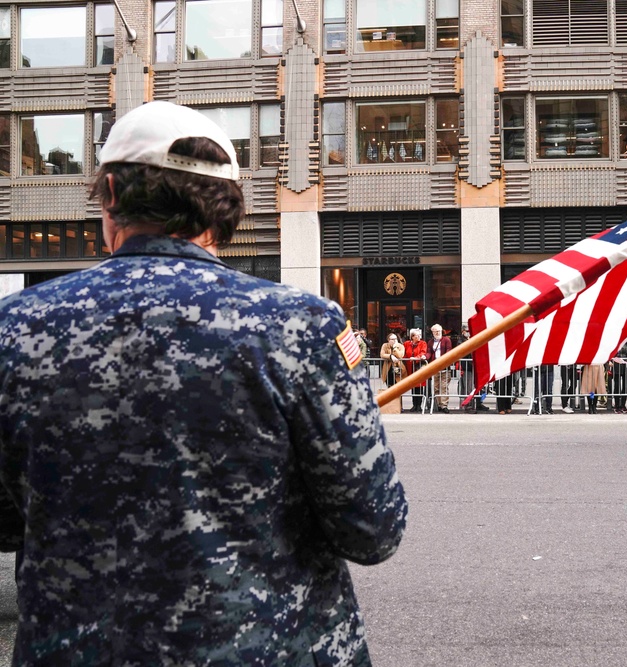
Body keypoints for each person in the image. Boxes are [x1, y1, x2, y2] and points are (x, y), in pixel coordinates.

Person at [0, 101, 407, 664]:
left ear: (111, 195)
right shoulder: (298, 328)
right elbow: (372, 527)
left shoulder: (15, 327)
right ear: (227, 208)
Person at [428, 323, 453, 413]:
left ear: (441, 331)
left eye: (438, 331)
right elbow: (429, 352)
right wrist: (424, 357)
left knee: (444, 386)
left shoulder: (446, 340)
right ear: (432, 332)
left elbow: (448, 350)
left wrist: (443, 360)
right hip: (435, 367)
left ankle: (444, 405)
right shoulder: (430, 342)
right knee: (436, 387)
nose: (437, 333)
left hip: (444, 367)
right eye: (435, 331)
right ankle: (438, 404)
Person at [404, 327, 429, 412]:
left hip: (419, 367)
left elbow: (423, 352)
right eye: (417, 335)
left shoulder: (423, 343)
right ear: (412, 336)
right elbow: (404, 353)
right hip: (410, 367)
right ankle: (414, 404)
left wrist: (416, 358)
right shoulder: (407, 343)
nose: (419, 337)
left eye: (419, 335)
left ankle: (419, 405)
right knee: (413, 387)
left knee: (420, 386)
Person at [609, 339, 627, 413]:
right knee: (617, 385)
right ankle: (617, 405)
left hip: (625, 365)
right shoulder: (614, 340)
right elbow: (609, 352)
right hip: (616, 364)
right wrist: (610, 360)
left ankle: (623, 405)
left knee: (625, 386)